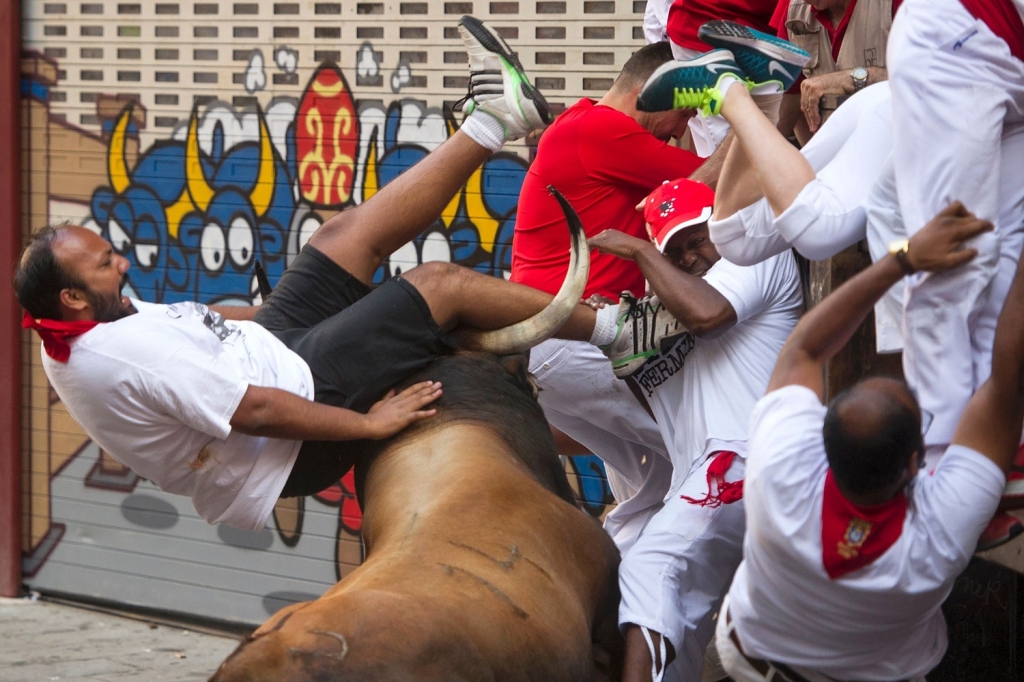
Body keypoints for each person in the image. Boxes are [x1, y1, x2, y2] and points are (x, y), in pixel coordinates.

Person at [14, 17, 643, 532]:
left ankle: (499, 118)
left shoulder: (92, 321)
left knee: (337, 236)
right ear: (71, 296)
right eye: (104, 263)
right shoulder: (122, 355)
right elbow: (255, 411)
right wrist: (370, 424)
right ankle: (621, 330)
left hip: (275, 350)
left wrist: (321, 305)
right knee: (439, 285)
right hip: (291, 424)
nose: (121, 261)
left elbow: (207, 322)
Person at [715, 201, 1016, 682]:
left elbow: (806, 350)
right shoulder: (931, 540)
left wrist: (904, 257)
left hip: (752, 659)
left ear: (823, 443)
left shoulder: (779, 471)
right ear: (916, 465)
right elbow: (1005, 387)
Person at [587, 178, 802, 682]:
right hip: (702, 476)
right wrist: (619, 339)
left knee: (649, 570)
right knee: (632, 585)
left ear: (721, 224)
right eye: (674, 250)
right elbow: (658, 405)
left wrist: (640, 251)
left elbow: (709, 315)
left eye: (696, 237)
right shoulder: (667, 306)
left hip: (749, 456)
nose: (689, 257)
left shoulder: (752, 258)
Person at [514, 40, 708, 552]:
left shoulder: (579, 126)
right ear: (652, 91)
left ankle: (618, 596)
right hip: (579, 341)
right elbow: (712, 184)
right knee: (706, 456)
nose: (683, 127)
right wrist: (760, 115)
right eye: (684, 109)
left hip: (553, 350)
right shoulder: (599, 130)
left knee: (657, 481)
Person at [642, 0, 781, 156]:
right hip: (706, 30)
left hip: (744, 31)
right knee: (734, 143)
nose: (679, 134)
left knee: (738, 142)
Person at [771, 0, 901, 143]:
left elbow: (924, 83)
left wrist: (852, 78)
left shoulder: (902, 6)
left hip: (895, 150)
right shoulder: (795, 10)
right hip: (831, 155)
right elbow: (785, 104)